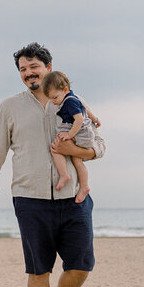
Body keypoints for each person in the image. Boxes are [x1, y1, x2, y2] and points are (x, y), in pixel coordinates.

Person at [0, 43, 105, 287]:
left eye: (34, 67)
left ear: (48, 67)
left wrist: (73, 150)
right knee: (38, 271)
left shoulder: (73, 100)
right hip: (30, 199)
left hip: (73, 198)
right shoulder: (10, 106)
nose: (28, 73)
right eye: (22, 69)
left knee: (82, 264)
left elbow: (99, 145)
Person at [42, 71, 95, 204]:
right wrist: (96, 119)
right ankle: (84, 186)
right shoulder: (73, 97)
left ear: (65, 89)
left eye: (54, 98)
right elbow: (85, 109)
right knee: (77, 161)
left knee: (56, 148)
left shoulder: (69, 102)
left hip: (81, 134)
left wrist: (69, 135)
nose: (53, 102)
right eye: (50, 99)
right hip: (83, 134)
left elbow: (79, 119)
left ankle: (64, 174)